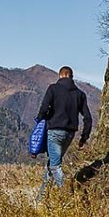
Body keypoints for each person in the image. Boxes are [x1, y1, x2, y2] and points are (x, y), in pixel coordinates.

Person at [36, 66, 92, 199]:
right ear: (71, 76)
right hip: (69, 134)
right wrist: (84, 137)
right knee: (51, 164)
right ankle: (41, 199)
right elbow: (88, 118)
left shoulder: (53, 89)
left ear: (60, 75)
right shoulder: (80, 94)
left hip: (54, 131)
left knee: (55, 166)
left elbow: (44, 108)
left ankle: (69, 196)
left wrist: (40, 120)